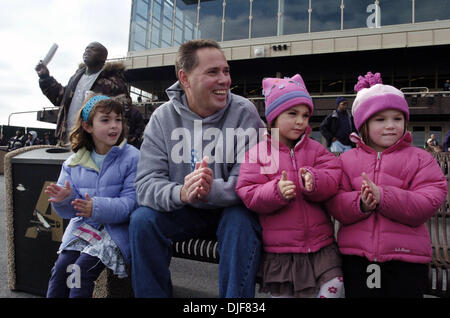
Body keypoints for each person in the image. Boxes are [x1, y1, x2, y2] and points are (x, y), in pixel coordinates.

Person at [129, 39, 265, 298]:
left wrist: (210, 189)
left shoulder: (245, 112)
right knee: (142, 221)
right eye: (213, 72)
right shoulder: (162, 118)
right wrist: (182, 192)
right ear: (185, 78)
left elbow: (251, 182)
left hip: (230, 209)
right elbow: (145, 185)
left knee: (240, 220)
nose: (224, 79)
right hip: (184, 209)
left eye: (226, 71)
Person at [325, 71, 448, 298]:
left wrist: (383, 196)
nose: (390, 125)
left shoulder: (420, 158)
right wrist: (360, 203)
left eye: (397, 119)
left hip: (407, 259)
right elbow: (335, 202)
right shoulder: (347, 160)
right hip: (358, 258)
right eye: (380, 120)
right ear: (363, 125)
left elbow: (428, 201)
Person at [236, 74, 344, 298]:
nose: (300, 121)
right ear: (273, 117)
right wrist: (275, 191)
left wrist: (315, 181)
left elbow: (334, 175)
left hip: (321, 245)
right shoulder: (257, 154)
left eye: (305, 115)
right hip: (280, 251)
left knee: (334, 286)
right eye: (292, 114)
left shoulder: (315, 149)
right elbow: (248, 192)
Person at [44, 95, 140, 298]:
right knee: (62, 270)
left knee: (80, 271)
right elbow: (70, 211)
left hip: (116, 231)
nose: (114, 126)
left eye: (118, 119)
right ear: (88, 127)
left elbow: (131, 204)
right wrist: (64, 200)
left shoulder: (132, 157)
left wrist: (94, 207)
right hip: (84, 227)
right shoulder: (73, 162)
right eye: (105, 120)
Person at [35, 42, 131, 146]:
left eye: (93, 49)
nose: (87, 51)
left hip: (94, 144)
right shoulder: (76, 77)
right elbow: (60, 98)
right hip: (67, 140)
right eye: (86, 49)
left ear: (103, 57)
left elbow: (123, 111)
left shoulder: (113, 81)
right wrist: (45, 78)